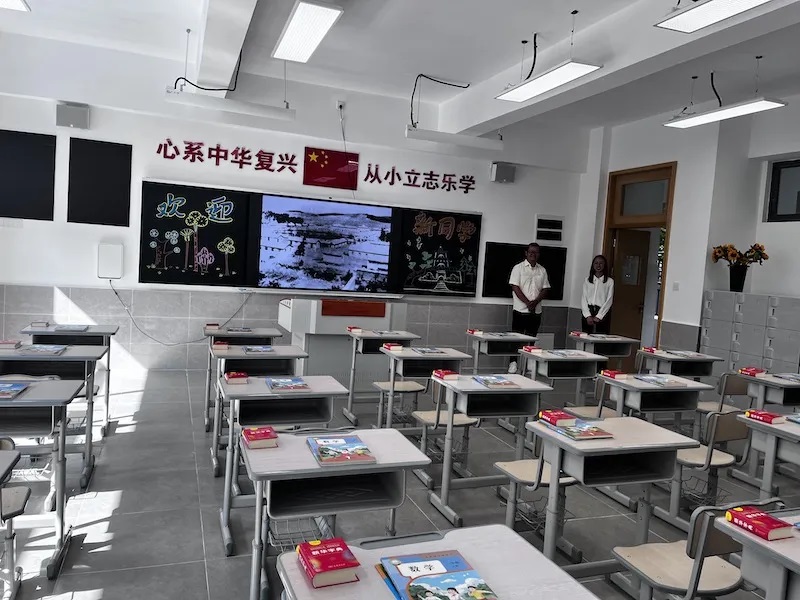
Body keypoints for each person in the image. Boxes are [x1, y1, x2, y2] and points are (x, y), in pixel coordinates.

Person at [509, 243, 550, 337]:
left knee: (532, 339)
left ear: (539, 254)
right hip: (520, 310)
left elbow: (545, 289)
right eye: (531, 252)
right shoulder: (518, 268)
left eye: (536, 252)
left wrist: (535, 302)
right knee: (517, 339)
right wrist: (528, 303)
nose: (533, 254)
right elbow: (515, 287)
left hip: (536, 311)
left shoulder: (542, 270)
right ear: (526, 253)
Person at [581, 254, 614, 334]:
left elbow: (609, 300)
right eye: (596, 263)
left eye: (601, 263)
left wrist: (599, 316)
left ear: (604, 265)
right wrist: (587, 315)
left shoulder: (609, 281)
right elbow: (584, 298)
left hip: (602, 311)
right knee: (586, 335)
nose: (598, 265)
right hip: (588, 311)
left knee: (601, 336)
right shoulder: (587, 280)